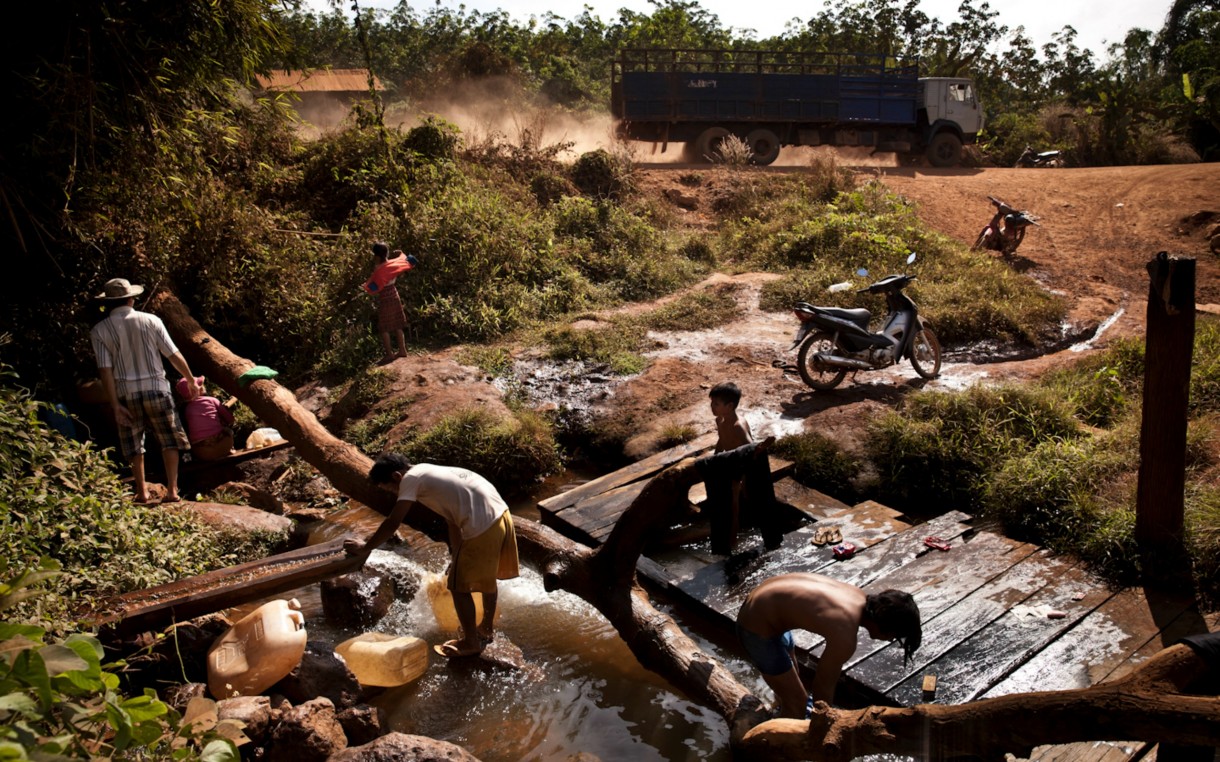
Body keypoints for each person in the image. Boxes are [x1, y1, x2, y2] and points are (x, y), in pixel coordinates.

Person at [345, 453, 520, 658]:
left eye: (391, 489)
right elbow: (452, 521)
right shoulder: (427, 471)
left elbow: (393, 522)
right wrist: (455, 556)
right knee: (486, 580)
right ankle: (486, 629)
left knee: (457, 587)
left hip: (482, 525)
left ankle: (471, 642)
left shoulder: (410, 479)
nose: (395, 494)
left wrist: (366, 547)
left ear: (396, 477)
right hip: (501, 516)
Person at [735, 572, 921, 718]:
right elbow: (823, 687)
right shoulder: (845, 634)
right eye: (895, 635)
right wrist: (823, 724)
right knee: (799, 706)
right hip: (757, 627)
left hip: (765, 609)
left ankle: (780, 710)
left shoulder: (857, 595)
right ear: (885, 625)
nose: (890, 640)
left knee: (791, 687)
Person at [90, 277, 202, 504]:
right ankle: (172, 491)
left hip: (126, 394)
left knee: (133, 444)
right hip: (157, 389)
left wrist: (115, 405)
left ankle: (141, 492)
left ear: (109, 303)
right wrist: (190, 379)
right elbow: (172, 354)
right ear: (131, 298)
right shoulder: (151, 321)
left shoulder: (99, 331)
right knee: (169, 439)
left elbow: (105, 371)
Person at [706, 381, 778, 554]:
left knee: (735, 507)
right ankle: (732, 539)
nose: (712, 407)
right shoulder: (720, 420)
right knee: (731, 505)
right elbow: (722, 440)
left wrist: (746, 478)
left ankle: (732, 544)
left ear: (730, 406)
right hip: (730, 464)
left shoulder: (738, 426)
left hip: (742, 467)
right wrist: (715, 458)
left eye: (716, 404)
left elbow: (750, 449)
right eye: (711, 403)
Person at [362, 242, 416, 364]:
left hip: (385, 297)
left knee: (384, 327)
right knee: (397, 323)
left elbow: (375, 288)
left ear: (376, 256)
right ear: (386, 253)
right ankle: (402, 350)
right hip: (394, 293)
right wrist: (401, 254)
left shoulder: (379, 269)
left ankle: (389, 354)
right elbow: (407, 260)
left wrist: (366, 287)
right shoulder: (393, 264)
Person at [175, 375, 234, 461]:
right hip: (224, 446)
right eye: (200, 385)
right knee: (229, 431)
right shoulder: (212, 400)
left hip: (202, 453)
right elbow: (230, 419)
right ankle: (231, 449)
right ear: (197, 390)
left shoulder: (185, 410)